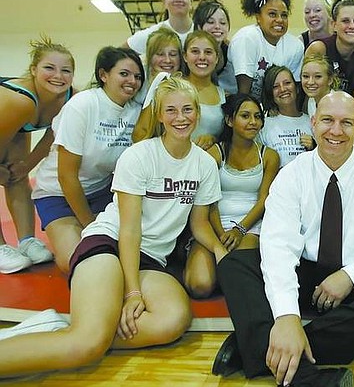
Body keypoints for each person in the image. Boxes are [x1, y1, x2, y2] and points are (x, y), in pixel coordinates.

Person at [0, 76, 226, 377]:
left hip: (150, 260)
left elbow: (199, 225)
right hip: (109, 244)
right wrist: (133, 292)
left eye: (187, 109)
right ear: (159, 115)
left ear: (197, 113)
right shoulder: (139, 155)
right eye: (171, 110)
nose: (180, 118)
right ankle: (84, 333)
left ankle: (68, 327)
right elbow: (129, 230)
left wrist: (221, 250)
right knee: (85, 347)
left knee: (173, 320)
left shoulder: (204, 164)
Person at [211, 91, 354, 386]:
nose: (336, 131)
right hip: (306, 272)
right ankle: (304, 375)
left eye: (346, 123)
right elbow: (278, 247)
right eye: (327, 120)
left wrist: (349, 275)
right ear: (313, 123)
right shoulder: (291, 176)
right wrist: (287, 317)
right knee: (235, 264)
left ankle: (260, 349)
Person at [31, 47, 144, 273]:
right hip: (59, 194)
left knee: (124, 252)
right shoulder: (82, 105)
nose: (132, 81)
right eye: (124, 74)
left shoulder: (136, 111)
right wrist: (90, 225)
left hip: (102, 192)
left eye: (138, 76)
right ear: (103, 75)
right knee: (77, 260)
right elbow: (66, 175)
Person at [184, 93, 280, 298]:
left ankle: (226, 274)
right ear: (229, 120)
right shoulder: (214, 154)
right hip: (212, 225)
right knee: (199, 286)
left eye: (257, 116)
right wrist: (220, 234)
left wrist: (240, 230)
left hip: (250, 227)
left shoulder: (270, 156)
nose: (253, 122)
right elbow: (209, 202)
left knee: (239, 279)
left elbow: (265, 200)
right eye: (245, 116)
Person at [0, 36, 74, 273]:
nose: (58, 76)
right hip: (8, 114)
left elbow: (53, 136)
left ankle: (26, 240)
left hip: (14, 122)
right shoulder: (21, 100)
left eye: (66, 70)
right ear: (33, 70)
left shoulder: (70, 98)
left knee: (17, 176)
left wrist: (26, 164)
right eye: (49, 68)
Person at [228, 0, 303, 100]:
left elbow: (293, 90)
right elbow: (243, 93)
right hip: (236, 102)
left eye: (284, 15)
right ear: (258, 17)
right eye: (272, 14)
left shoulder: (295, 46)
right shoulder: (247, 38)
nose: (279, 20)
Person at [305, 0, 354, 92]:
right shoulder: (319, 49)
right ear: (334, 25)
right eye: (345, 21)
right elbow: (308, 89)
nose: (352, 26)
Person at [259, 65, 314, 167]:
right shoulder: (264, 125)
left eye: (287, 83)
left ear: (297, 88)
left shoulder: (312, 121)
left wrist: (314, 148)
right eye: (275, 86)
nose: (283, 89)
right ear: (270, 94)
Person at [124, 0, 194, 54]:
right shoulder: (152, 34)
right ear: (164, 3)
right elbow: (119, 54)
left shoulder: (201, 31)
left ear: (191, 2)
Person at [182, 30, 226, 150]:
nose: (202, 57)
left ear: (216, 58)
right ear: (185, 56)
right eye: (195, 51)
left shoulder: (224, 96)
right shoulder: (171, 88)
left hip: (209, 163)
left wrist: (214, 139)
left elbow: (228, 139)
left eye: (208, 52)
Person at [193, 0, 237, 95]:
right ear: (199, 26)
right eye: (210, 22)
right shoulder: (190, 51)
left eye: (223, 23)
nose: (217, 26)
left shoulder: (232, 52)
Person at [301, 54, 337, 118]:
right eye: (306, 76)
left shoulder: (339, 105)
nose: (310, 82)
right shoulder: (311, 101)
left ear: (330, 80)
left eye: (318, 76)